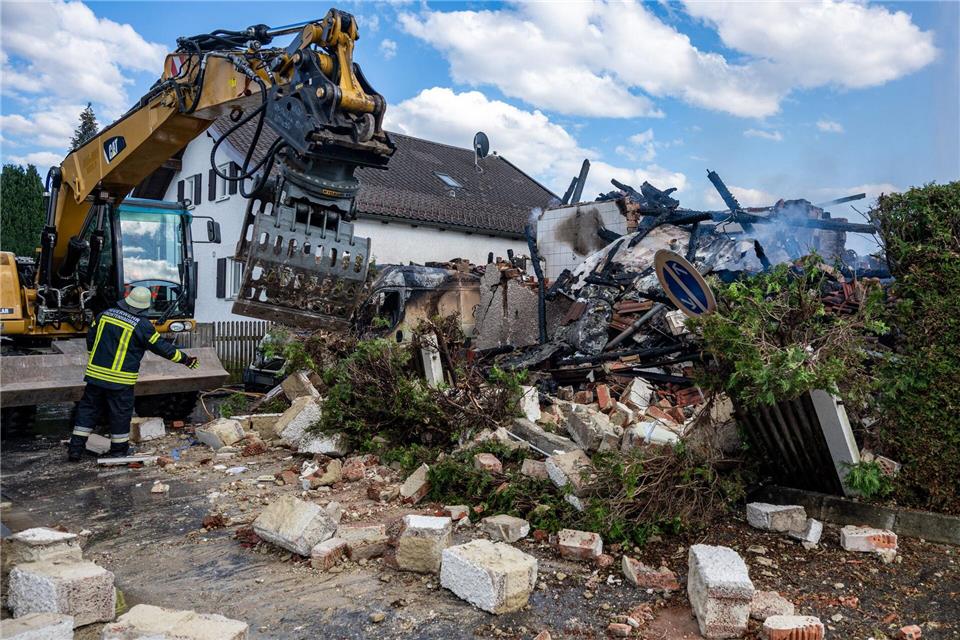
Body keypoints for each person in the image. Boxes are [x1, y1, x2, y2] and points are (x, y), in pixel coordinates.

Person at [68, 286, 199, 461]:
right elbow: (162, 348)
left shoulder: (104, 315)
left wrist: (94, 356)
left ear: (127, 300)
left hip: (95, 376)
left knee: (87, 411)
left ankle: (75, 450)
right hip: (120, 381)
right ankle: (118, 451)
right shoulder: (142, 325)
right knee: (120, 414)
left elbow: (91, 336)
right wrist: (185, 359)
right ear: (144, 307)